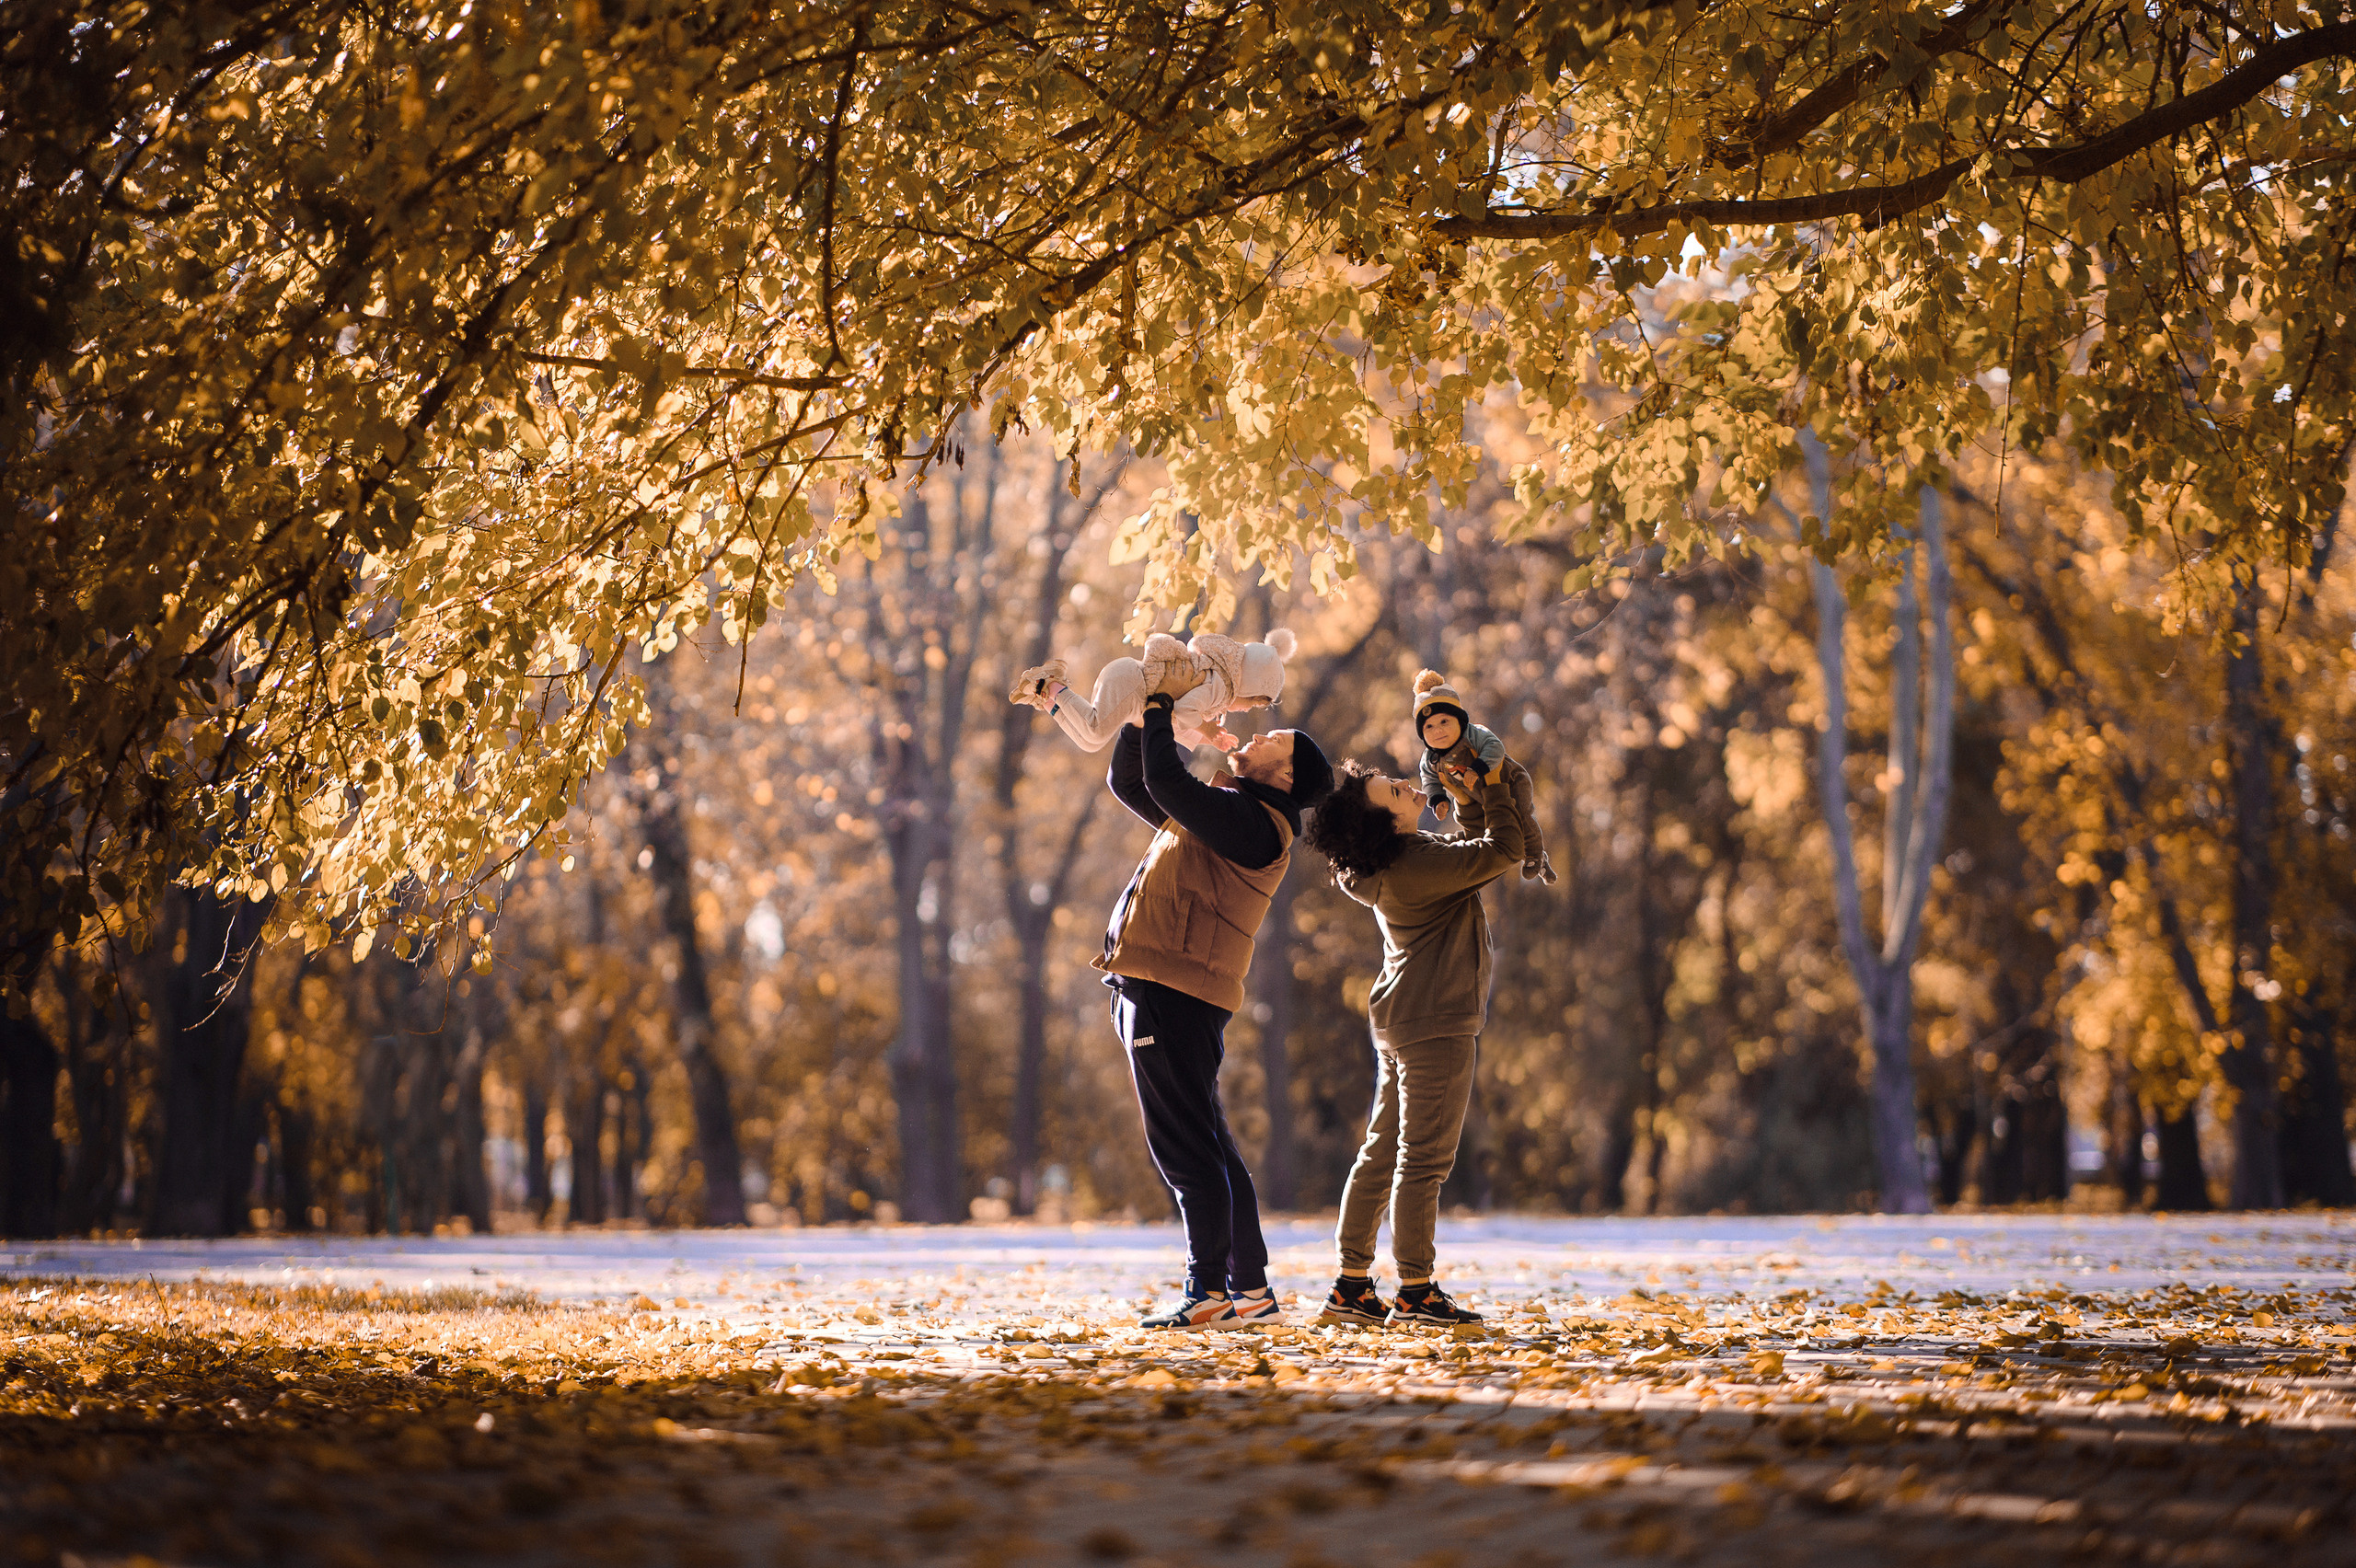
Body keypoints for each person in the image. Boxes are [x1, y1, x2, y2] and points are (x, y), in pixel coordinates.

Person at [1094, 682, 1334, 1329]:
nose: (1253, 736)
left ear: (1283, 775)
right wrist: (1152, 723)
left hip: (1174, 991)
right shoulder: (1226, 811)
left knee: (1185, 1148)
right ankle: (1248, 1290)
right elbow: (1132, 780)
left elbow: (1169, 786)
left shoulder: (1260, 826)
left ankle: (1208, 1293)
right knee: (1209, 1143)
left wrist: (1164, 706)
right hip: (1161, 987)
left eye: (1270, 740)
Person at [1300, 758, 1528, 1326]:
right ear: (1385, 822)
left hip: (1402, 1021)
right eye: (1395, 791)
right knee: (1423, 1160)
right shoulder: (1416, 864)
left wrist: (1471, 798)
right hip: (1437, 1023)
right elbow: (1504, 849)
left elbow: (1473, 848)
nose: (1407, 785)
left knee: (1382, 1152)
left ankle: (1351, 1287)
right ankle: (1416, 1291)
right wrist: (1496, 785)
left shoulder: (1388, 865)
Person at [1011, 628, 1296, 753]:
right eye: (1253, 703)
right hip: (1131, 682)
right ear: (1248, 686)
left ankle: (1045, 696)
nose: (1246, 709)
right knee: (1095, 730)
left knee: (1090, 742)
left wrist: (1207, 739)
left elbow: (1174, 719)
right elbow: (1184, 711)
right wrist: (1207, 730)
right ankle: (1051, 683)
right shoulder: (1220, 688)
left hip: (1129, 684)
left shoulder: (1215, 688)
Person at [1413, 670, 1554, 884]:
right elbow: (1429, 779)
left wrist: (1477, 769)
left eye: (1444, 722)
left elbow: (1495, 747)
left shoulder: (1473, 734)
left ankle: (1535, 855)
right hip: (1478, 795)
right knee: (1490, 831)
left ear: (1460, 721)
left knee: (1522, 815)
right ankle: (1524, 859)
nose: (1437, 731)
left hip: (1510, 780)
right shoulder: (1431, 758)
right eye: (1429, 727)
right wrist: (1438, 800)